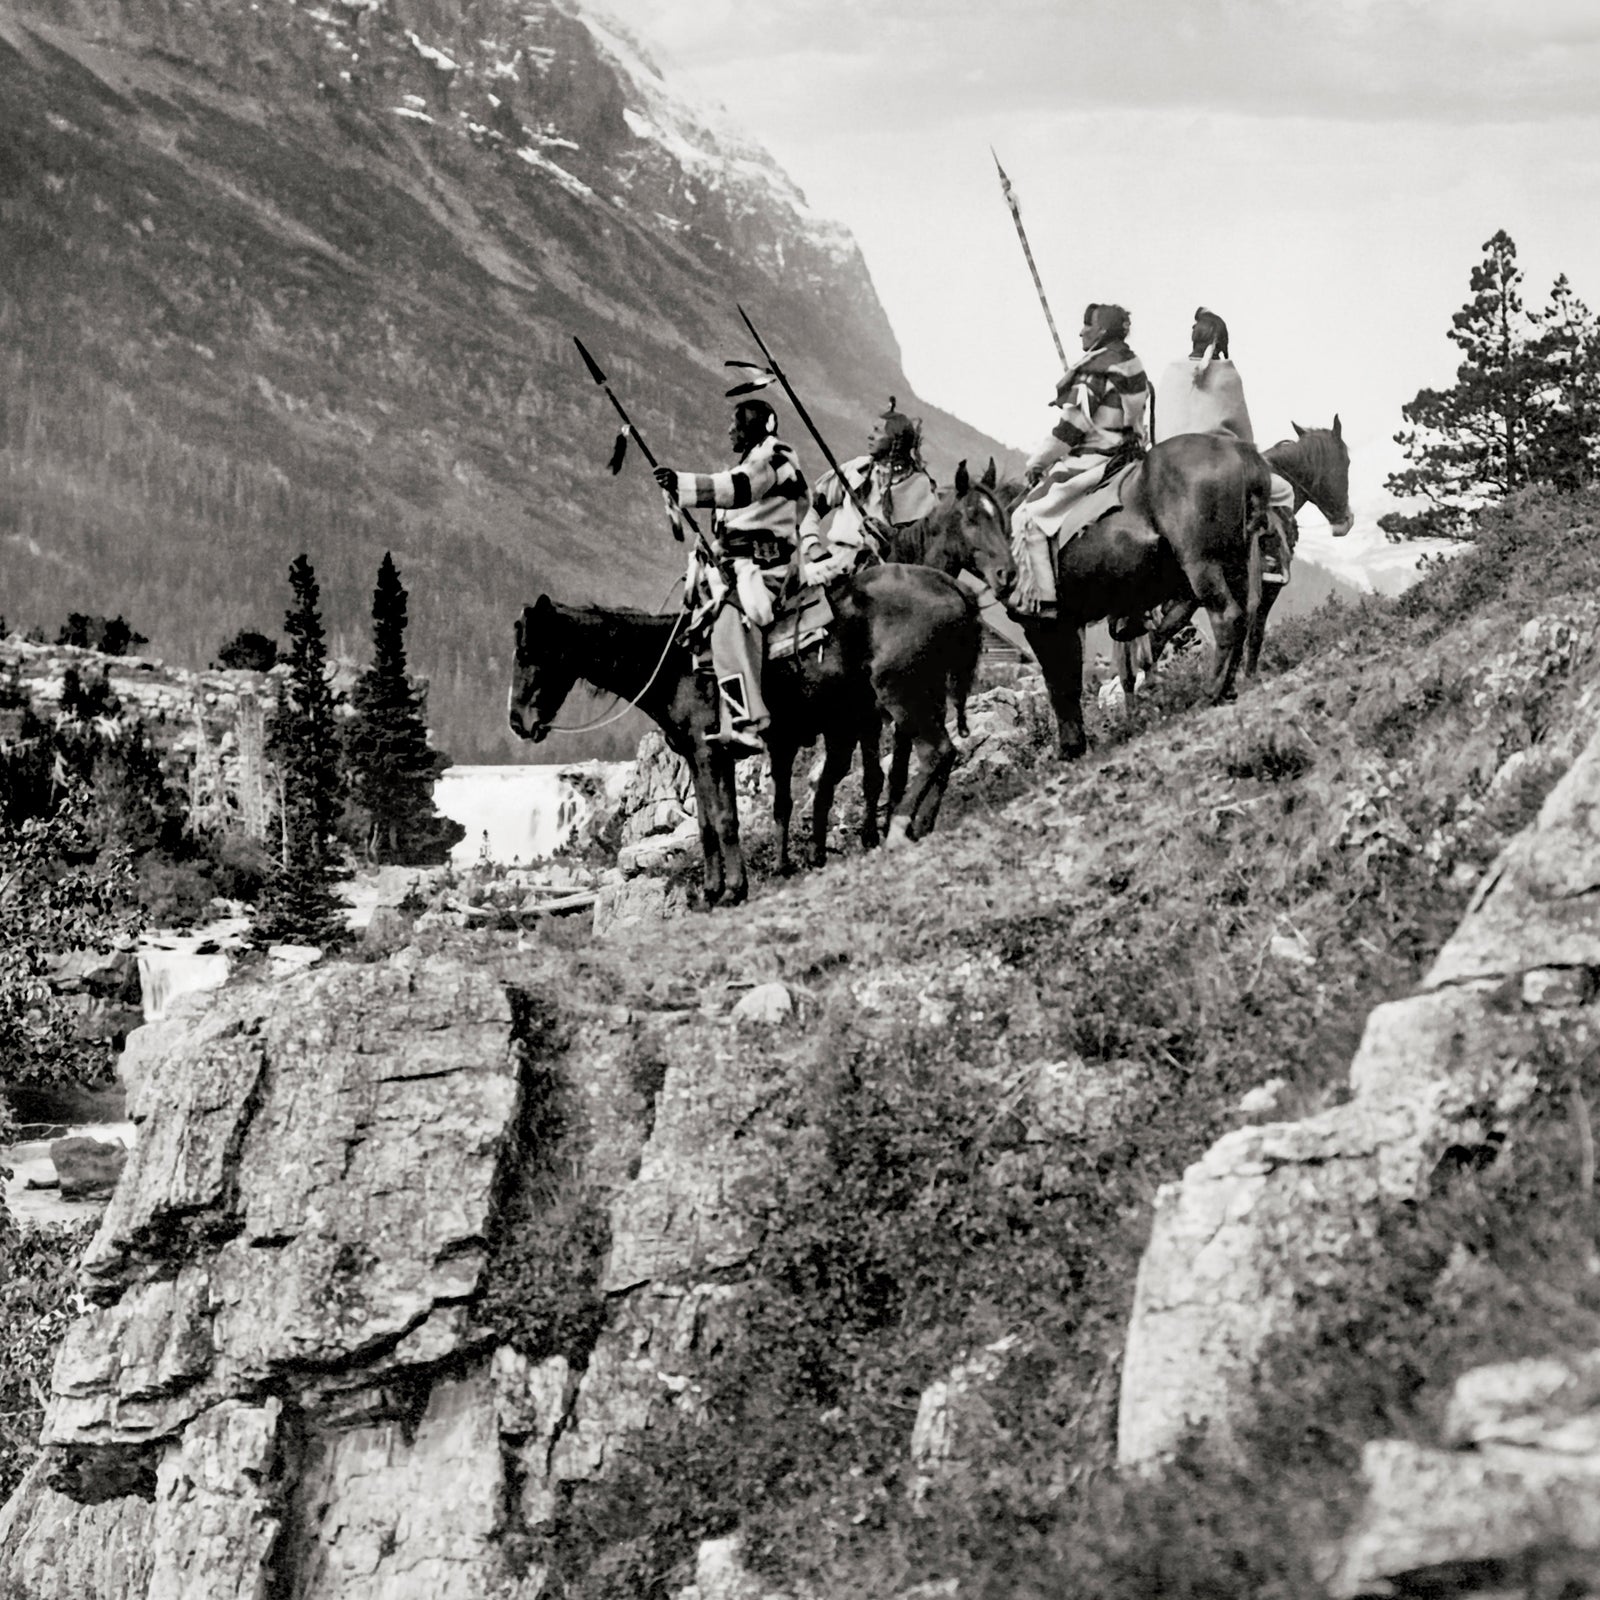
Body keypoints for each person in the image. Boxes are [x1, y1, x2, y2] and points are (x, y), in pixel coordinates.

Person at [654, 398, 808, 751]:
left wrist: (681, 483)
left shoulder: (776, 459)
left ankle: (749, 724)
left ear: (761, 426)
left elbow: (740, 489)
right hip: (737, 566)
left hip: (765, 570)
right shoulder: (757, 460)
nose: (729, 430)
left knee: (728, 623)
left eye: (737, 424)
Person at [1011, 303, 1150, 617]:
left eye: (1087, 325)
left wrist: (1036, 461)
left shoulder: (1095, 371)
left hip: (1093, 461)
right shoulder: (1133, 365)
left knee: (1027, 518)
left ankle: (1043, 602)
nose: (1080, 331)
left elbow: (1069, 430)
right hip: (1130, 461)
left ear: (1100, 331)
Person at [1152, 307, 1295, 582]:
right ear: (1220, 343)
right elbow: (1244, 438)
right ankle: (1268, 556)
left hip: (1167, 465)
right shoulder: (1228, 375)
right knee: (1283, 491)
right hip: (1216, 463)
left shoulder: (1172, 371)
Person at [797, 398, 938, 583]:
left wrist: (885, 538)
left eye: (878, 431)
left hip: (886, 575)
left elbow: (921, 543)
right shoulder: (856, 469)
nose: (870, 436)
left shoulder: (919, 485)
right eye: (873, 429)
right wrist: (812, 544)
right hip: (834, 564)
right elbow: (812, 508)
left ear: (895, 440)